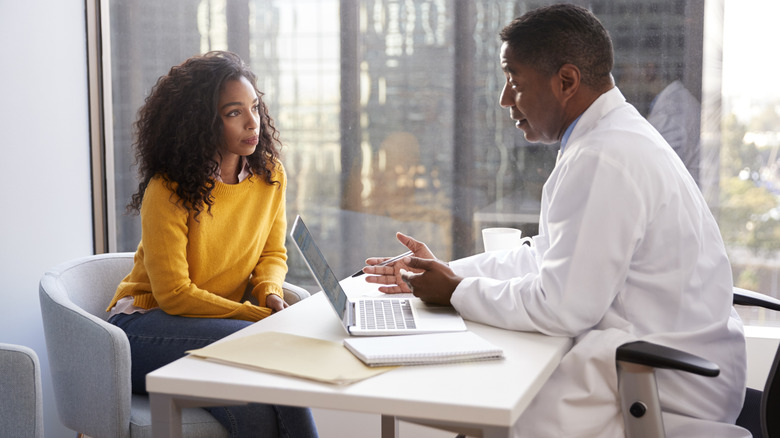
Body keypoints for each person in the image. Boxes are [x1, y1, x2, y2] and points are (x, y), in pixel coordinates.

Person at [362, 5, 747, 437]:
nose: (505, 98)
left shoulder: (604, 155)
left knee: (472, 404)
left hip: (662, 385)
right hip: (665, 362)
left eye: (514, 80)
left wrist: (456, 292)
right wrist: (452, 273)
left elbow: (563, 307)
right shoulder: (608, 137)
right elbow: (548, 257)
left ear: (566, 81)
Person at [105, 51, 318, 437]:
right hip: (140, 332)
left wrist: (268, 291)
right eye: (234, 112)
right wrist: (255, 318)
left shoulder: (269, 175)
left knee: (257, 410)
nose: (253, 122)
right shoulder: (168, 189)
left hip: (218, 327)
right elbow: (173, 295)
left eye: (254, 106)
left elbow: (272, 253)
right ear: (203, 122)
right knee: (257, 347)